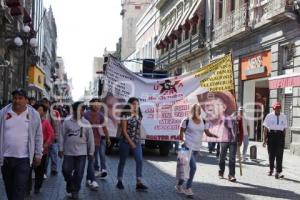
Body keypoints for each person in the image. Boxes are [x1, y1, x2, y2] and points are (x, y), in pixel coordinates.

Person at [0, 88, 43, 200]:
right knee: (9, 190)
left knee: (19, 190)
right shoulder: (3, 113)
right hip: (6, 158)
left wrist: (38, 154)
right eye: (15, 98)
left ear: (26, 100)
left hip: (24, 159)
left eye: (20, 98)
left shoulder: (34, 115)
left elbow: (38, 135)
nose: (17, 101)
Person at [175, 104, 218, 198]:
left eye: (198, 110)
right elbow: (181, 131)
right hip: (187, 148)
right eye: (195, 109)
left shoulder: (203, 121)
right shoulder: (186, 120)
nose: (197, 111)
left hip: (196, 148)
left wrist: (214, 135)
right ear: (192, 110)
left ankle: (179, 185)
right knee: (193, 167)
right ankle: (188, 188)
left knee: (186, 169)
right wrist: (182, 139)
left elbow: (207, 132)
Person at [59, 101, 95, 199]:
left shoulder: (86, 123)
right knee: (66, 170)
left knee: (79, 173)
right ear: (74, 111)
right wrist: (60, 148)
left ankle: (75, 190)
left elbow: (90, 139)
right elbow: (61, 136)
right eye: (78, 110)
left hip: (81, 153)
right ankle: (70, 184)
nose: (81, 112)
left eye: (82, 110)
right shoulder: (67, 122)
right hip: (68, 152)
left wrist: (91, 152)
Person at [116, 97, 148, 191]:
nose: (136, 105)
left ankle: (139, 181)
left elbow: (138, 128)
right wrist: (131, 142)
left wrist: (136, 142)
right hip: (125, 141)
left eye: (137, 104)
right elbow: (124, 131)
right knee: (122, 161)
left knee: (139, 160)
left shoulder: (139, 115)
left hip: (137, 141)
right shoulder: (125, 115)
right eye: (134, 104)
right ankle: (119, 181)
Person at [84, 98, 111, 190]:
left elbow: (104, 128)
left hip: (96, 141)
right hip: (86, 141)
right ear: (91, 104)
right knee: (91, 160)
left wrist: (107, 138)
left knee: (91, 160)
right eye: (95, 104)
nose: (97, 106)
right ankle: (92, 179)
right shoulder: (85, 115)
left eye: (99, 104)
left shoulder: (101, 115)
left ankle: (90, 179)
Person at [27, 104, 54, 194]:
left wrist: (46, 144)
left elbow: (51, 134)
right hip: (29, 150)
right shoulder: (28, 121)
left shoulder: (45, 122)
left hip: (42, 150)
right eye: (38, 110)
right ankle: (28, 188)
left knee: (40, 170)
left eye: (42, 110)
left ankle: (37, 187)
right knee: (28, 170)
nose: (40, 112)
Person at [263, 102, 287, 179]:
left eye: (279, 108)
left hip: (280, 136)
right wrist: (264, 139)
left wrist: (283, 138)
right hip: (271, 136)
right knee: (271, 154)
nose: (278, 109)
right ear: (273, 108)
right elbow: (265, 128)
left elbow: (284, 129)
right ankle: (271, 169)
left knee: (280, 154)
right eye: (276, 108)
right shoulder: (269, 116)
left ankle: (279, 172)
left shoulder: (283, 116)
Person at [42, 97, 61, 176]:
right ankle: (44, 171)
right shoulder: (40, 111)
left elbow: (56, 125)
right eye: (43, 103)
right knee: (45, 156)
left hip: (52, 137)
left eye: (46, 103)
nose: (45, 104)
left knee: (54, 154)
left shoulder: (52, 113)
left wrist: (56, 136)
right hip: (43, 137)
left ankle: (54, 169)